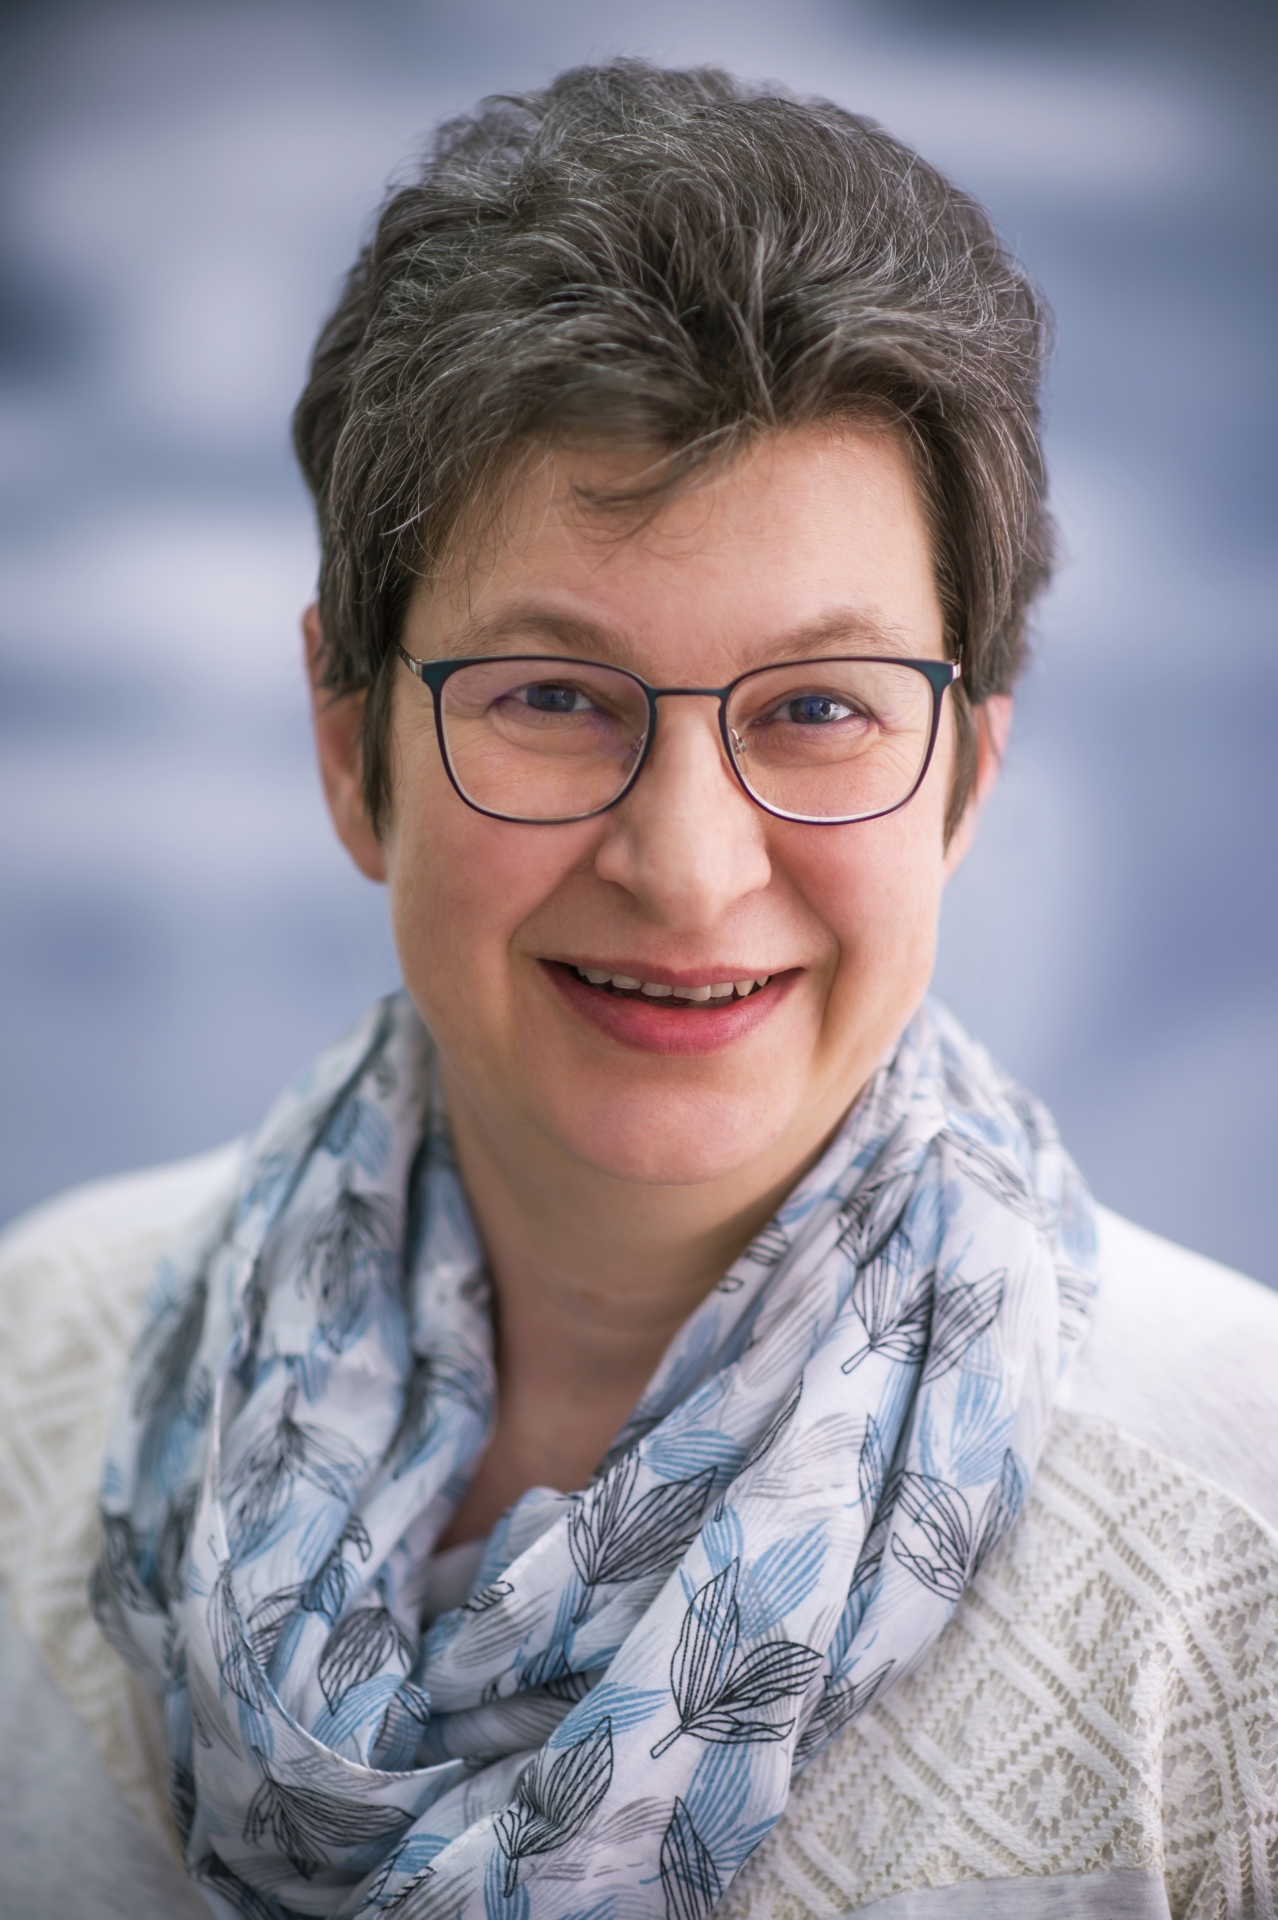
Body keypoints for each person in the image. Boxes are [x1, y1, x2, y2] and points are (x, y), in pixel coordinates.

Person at [0, 59, 1275, 1920]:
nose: (686, 866)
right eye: (550, 695)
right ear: (350, 751)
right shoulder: (34, 1368)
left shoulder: (1239, 1556)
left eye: (819, 708)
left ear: (965, 782)